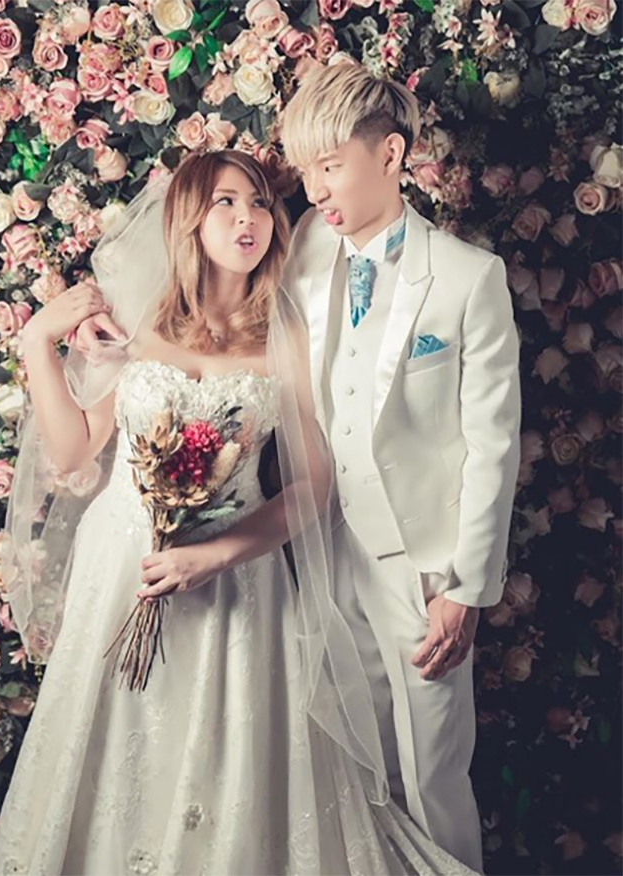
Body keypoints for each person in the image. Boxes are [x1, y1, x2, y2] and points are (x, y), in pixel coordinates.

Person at [0, 149, 481, 876]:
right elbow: (72, 450)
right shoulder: (136, 324)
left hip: (237, 580)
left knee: (223, 758)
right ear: (189, 217)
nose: (248, 218)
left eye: (258, 203)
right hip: (121, 568)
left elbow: (313, 485)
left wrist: (215, 554)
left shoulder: (285, 335)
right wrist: (37, 340)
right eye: (225, 202)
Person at [277, 64, 522, 872]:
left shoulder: (467, 277)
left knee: (432, 775)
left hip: (422, 571)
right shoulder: (302, 258)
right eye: (306, 170)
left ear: (390, 154)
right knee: (356, 769)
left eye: (331, 165)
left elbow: (492, 444)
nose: (316, 189)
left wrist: (464, 589)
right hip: (324, 562)